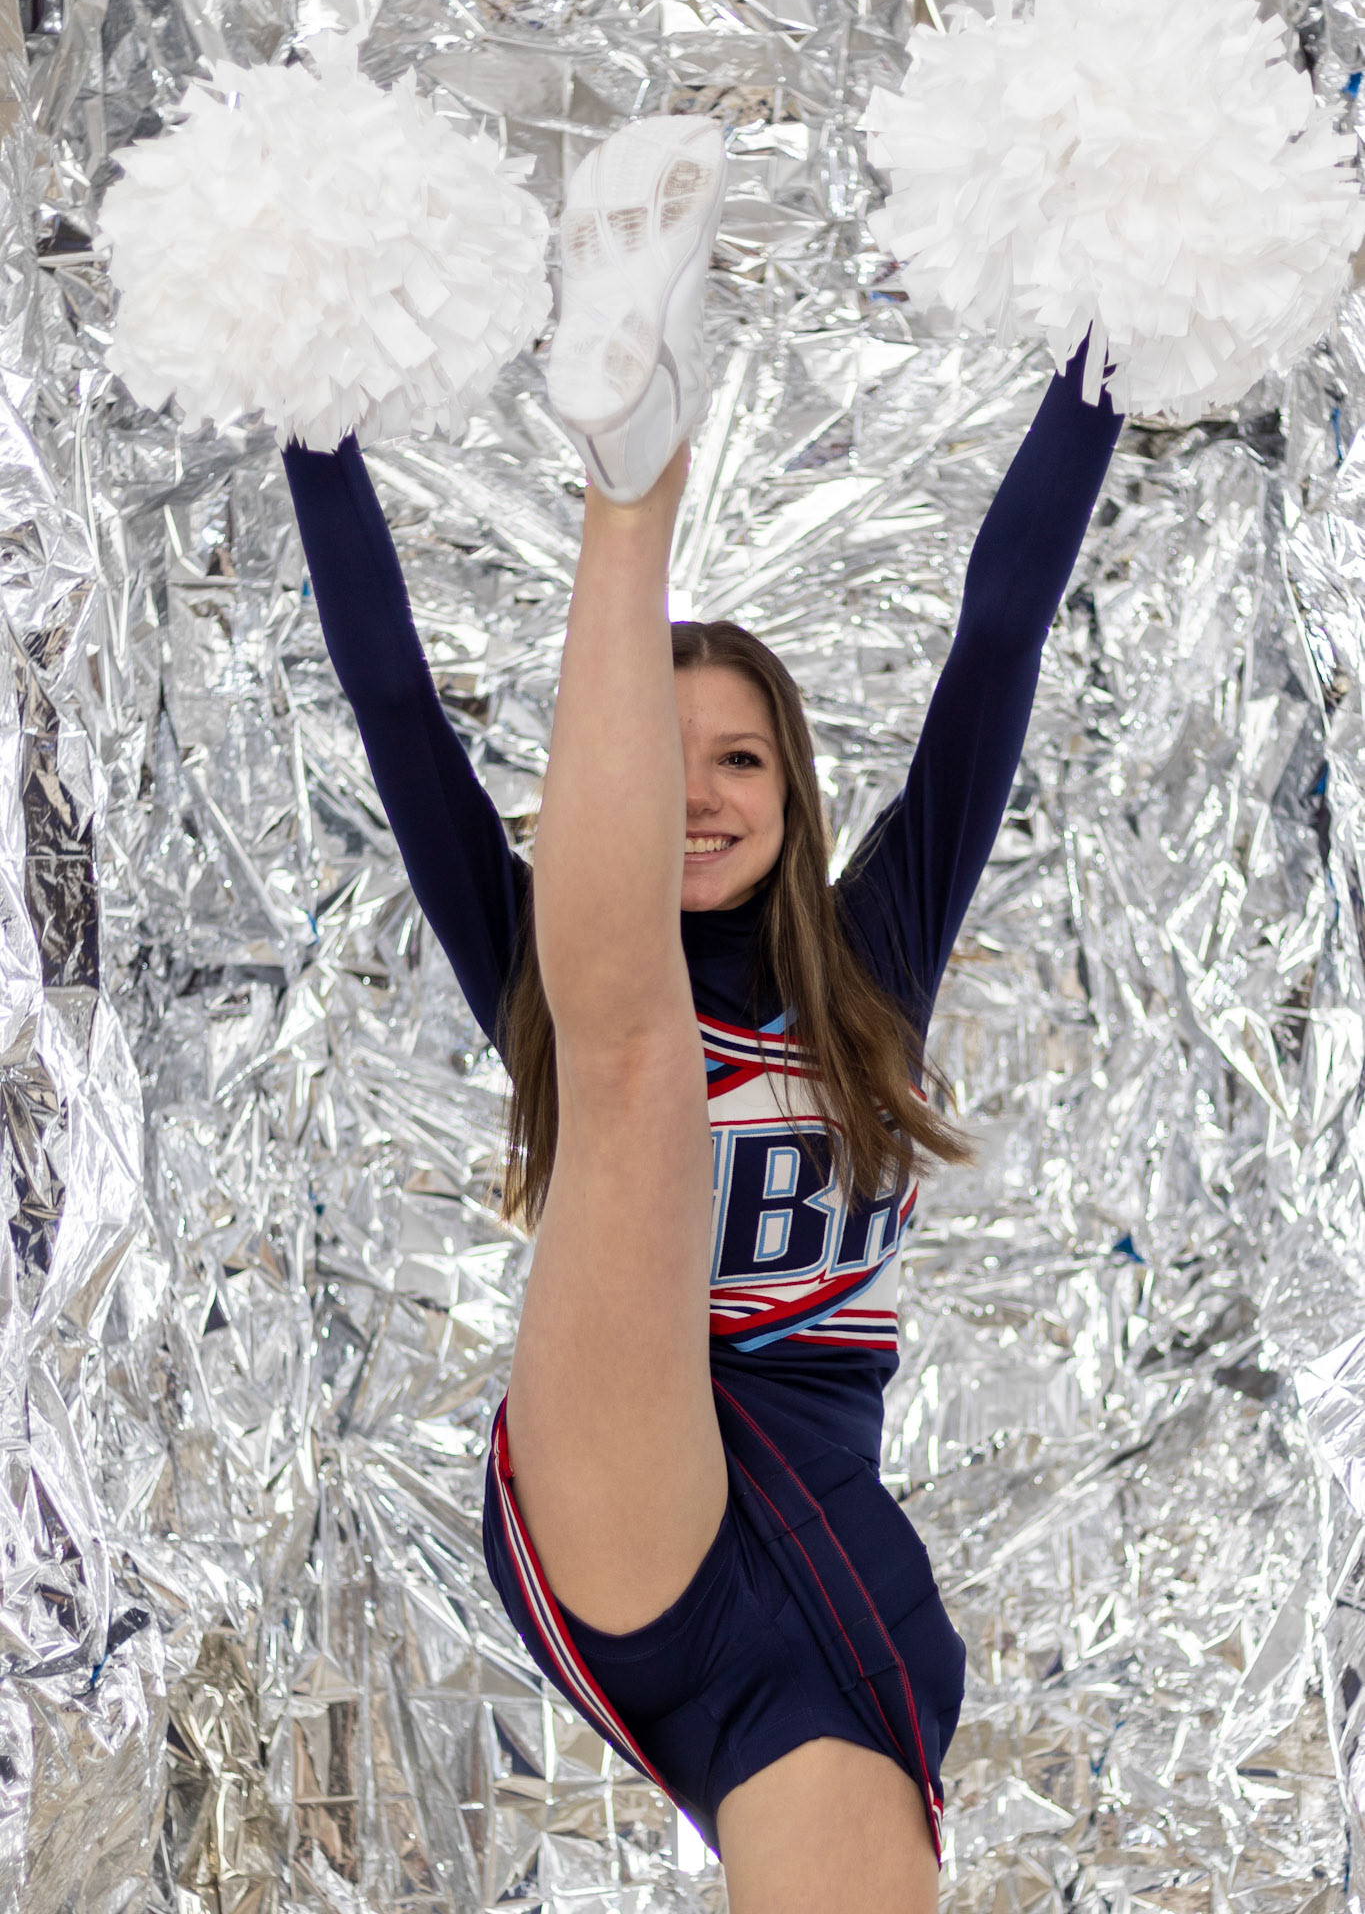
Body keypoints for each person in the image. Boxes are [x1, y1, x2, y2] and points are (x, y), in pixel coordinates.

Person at [281, 113, 1122, 1910]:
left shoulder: (872, 961)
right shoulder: (548, 953)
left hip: (827, 1574)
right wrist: (304, 391)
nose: (702, 795)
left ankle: (634, 459)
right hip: (632, 1482)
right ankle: (627, 484)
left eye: (737, 757)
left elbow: (995, 641)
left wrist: (1115, 345)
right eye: (657, 766)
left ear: (792, 790)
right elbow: (392, 700)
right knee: (632, 1045)